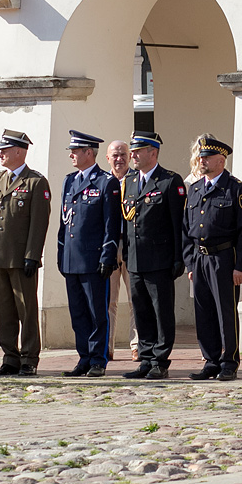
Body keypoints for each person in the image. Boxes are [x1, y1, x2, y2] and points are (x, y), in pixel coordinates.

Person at [0, 129, 51, 377]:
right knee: (3, 311)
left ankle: (29, 357)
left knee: (26, 310)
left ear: (19, 151)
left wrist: (32, 255)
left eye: (5, 150)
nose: (0, 154)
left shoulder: (35, 182)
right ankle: (10, 357)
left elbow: (39, 223)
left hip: (20, 259)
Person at [183, 137, 242, 381]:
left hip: (224, 257)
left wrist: (240, 265)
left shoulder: (236, 189)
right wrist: (190, 263)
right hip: (200, 259)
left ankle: (229, 361)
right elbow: (188, 229)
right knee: (203, 312)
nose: (201, 161)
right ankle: (211, 360)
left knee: (226, 312)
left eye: (207, 157)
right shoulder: (194, 189)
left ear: (221, 160)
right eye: (201, 157)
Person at [120, 131, 186, 380]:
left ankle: (160, 360)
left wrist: (179, 257)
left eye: (138, 151)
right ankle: (146, 358)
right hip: (136, 259)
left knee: (161, 312)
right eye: (132, 151)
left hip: (160, 259)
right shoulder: (130, 181)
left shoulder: (169, 181)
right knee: (141, 311)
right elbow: (127, 221)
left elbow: (178, 223)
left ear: (153, 153)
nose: (133, 155)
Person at [57, 130, 122, 378]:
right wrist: (61, 253)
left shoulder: (106, 182)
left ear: (88, 153)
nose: (71, 155)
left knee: (97, 313)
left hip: (94, 259)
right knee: (78, 314)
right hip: (72, 259)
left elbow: (111, 225)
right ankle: (84, 357)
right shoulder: (69, 181)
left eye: (76, 150)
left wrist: (108, 256)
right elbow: (65, 223)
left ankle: (97, 359)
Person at [105, 139, 139, 362]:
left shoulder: (137, 180)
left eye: (123, 154)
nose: (119, 159)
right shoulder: (102, 181)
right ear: (107, 158)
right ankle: (107, 346)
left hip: (132, 246)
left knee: (136, 298)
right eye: (115, 155)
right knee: (109, 300)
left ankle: (137, 345)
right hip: (109, 246)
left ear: (129, 157)